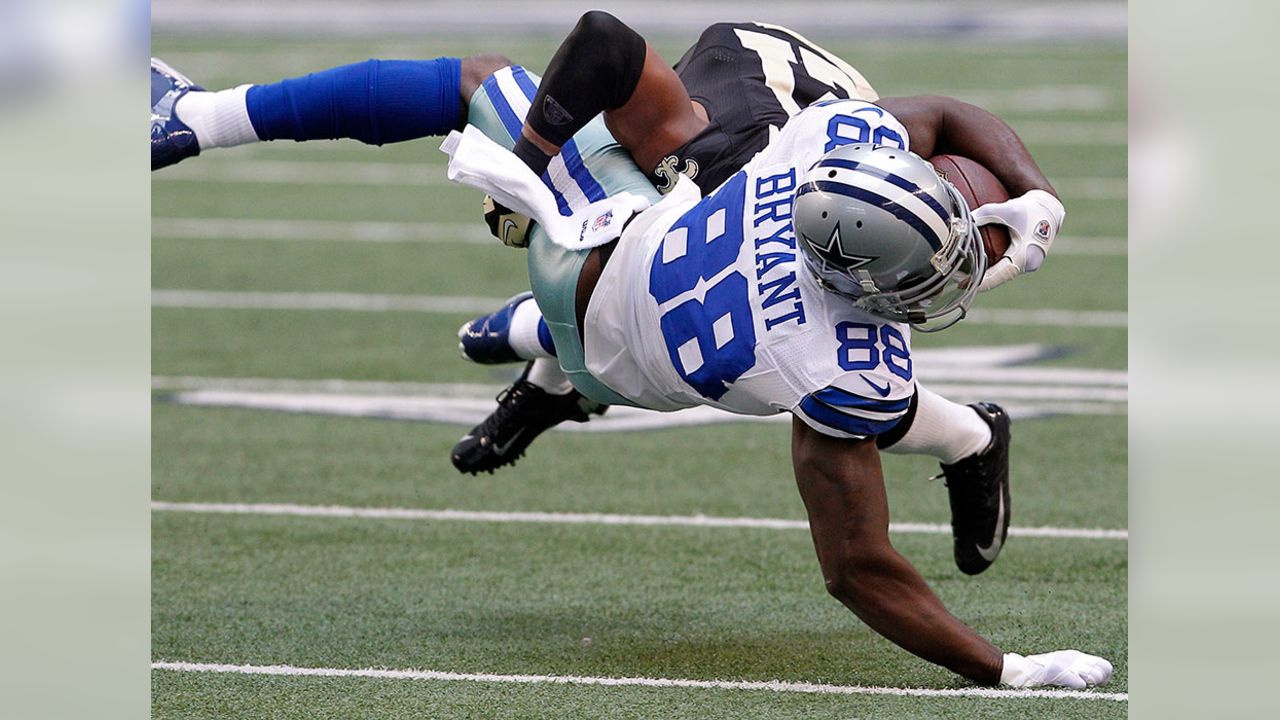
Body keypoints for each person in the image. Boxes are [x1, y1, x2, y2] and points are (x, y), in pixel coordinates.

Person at [153, 14, 1103, 688]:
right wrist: (1006, 668)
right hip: (622, 353)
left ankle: (194, 120)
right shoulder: (840, 366)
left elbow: (606, 39)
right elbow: (858, 568)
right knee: (837, 398)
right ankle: (538, 351)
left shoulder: (806, 151)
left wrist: (532, 154)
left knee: (487, 82)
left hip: (598, 253)